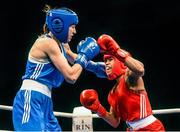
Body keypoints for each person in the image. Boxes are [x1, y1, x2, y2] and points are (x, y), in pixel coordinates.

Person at [12, 5, 100, 131]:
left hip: (45, 101)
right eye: (72, 27)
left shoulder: (62, 45)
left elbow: (76, 60)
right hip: (30, 98)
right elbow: (71, 76)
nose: (74, 31)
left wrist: (99, 68)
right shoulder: (47, 43)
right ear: (59, 25)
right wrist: (85, 55)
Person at [80, 34, 165, 131]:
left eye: (110, 59)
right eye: (105, 61)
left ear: (120, 62)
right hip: (131, 129)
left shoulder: (129, 78)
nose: (107, 63)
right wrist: (98, 109)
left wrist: (117, 51)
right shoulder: (112, 93)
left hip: (150, 128)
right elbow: (114, 122)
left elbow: (140, 69)